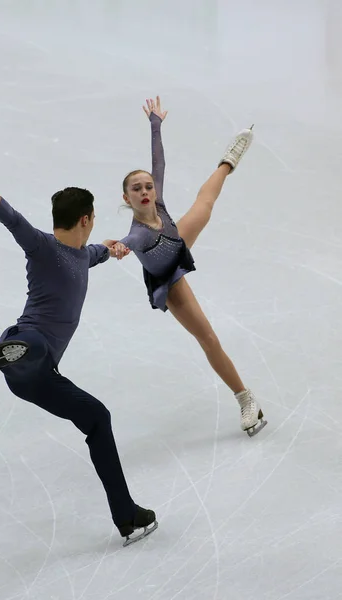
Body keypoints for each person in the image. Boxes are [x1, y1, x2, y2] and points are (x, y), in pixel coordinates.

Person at [0, 165, 157, 545]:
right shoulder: (40, 246)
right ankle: (7, 353)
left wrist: (114, 247)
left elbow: (102, 250)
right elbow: (7, 214)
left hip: (37, 381)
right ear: (85, 219)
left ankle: (127, 516)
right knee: (33, 343)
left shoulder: (84, 255)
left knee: (97, 418)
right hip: (28, 344)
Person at [118, 97, 267, 437]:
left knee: (205, 202)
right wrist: (114, 248)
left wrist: (155, 125)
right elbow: (126, 245)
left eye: (147, 186)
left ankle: (229, 160)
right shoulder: (137, 234)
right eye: (136, 189)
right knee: (209, 338)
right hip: (168, 279)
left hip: (176, 239)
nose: (144, 191)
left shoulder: (156, 201)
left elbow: (159, 161)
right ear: (126, 198)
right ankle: (246, 399)